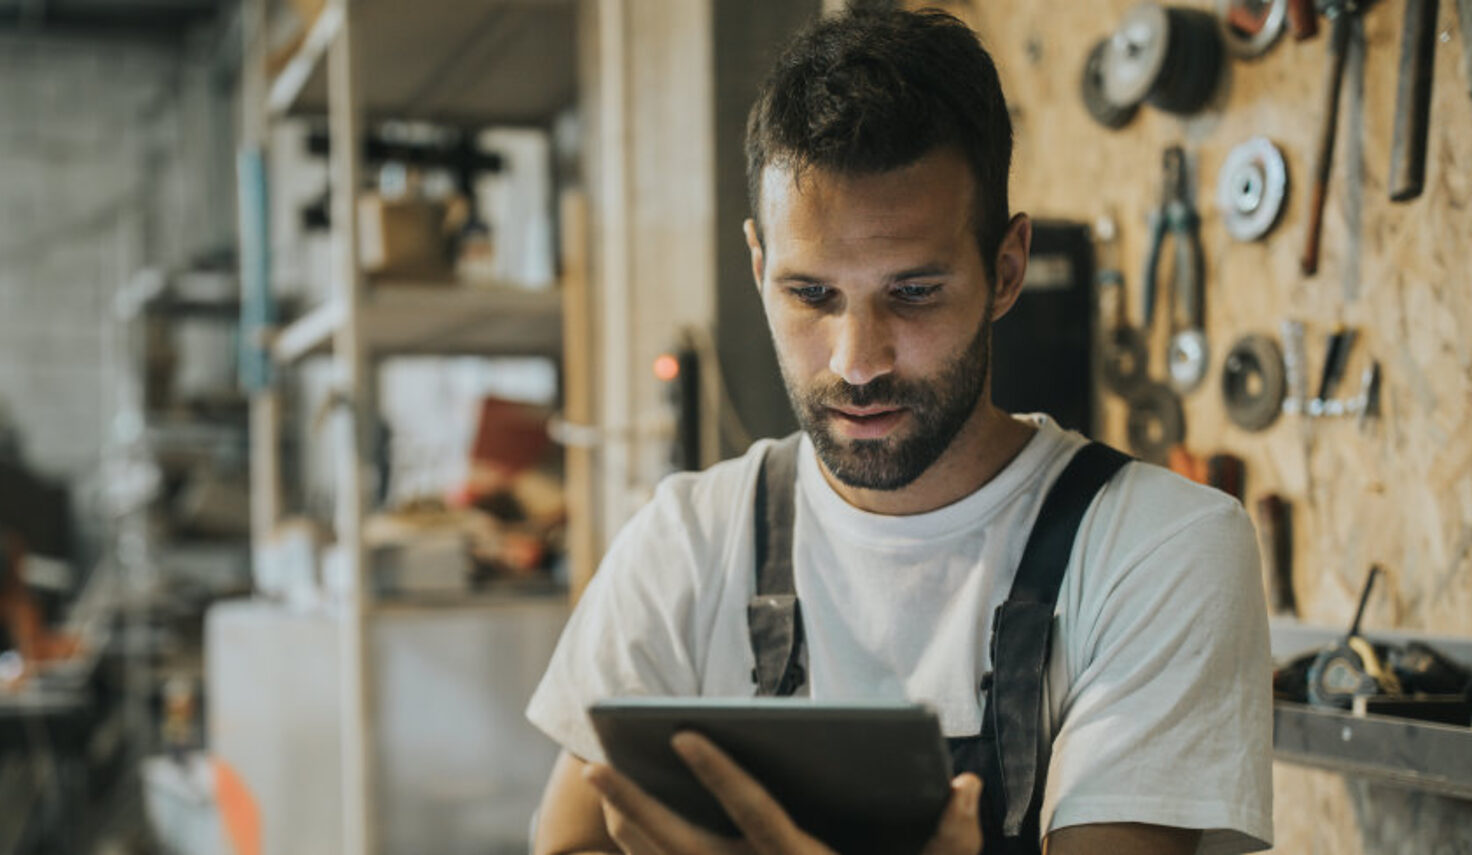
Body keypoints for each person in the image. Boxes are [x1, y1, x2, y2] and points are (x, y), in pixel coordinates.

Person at [527, 9, 1273, 855]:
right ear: (759, 267)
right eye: (810, 295)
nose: (857, 361)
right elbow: (569, 840)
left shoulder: (1159, 550)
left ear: (1006, 268)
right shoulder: (689, 540)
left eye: (913, 292)